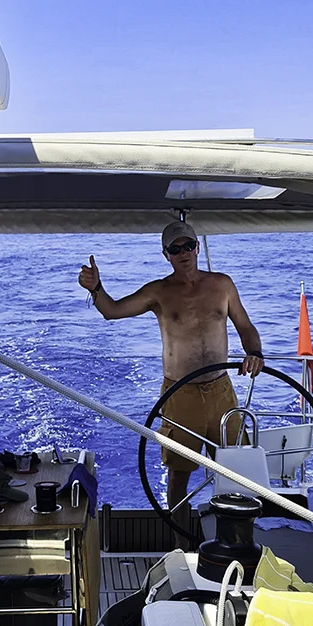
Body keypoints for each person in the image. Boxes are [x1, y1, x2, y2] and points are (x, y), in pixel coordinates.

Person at [78, 220, 264, 550]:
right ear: (166, 255)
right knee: (179, 476)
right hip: (181, 395)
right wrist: (96, 288)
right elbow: (112, 310)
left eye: (188, 246)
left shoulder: (222, 285)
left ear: (196, 246)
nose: (184, 253)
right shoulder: (158, 292)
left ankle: (239, 542)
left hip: (222, 391)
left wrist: (255, 354)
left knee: (239, 469)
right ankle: (182, 545)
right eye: (175, 249)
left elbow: (246, 327)